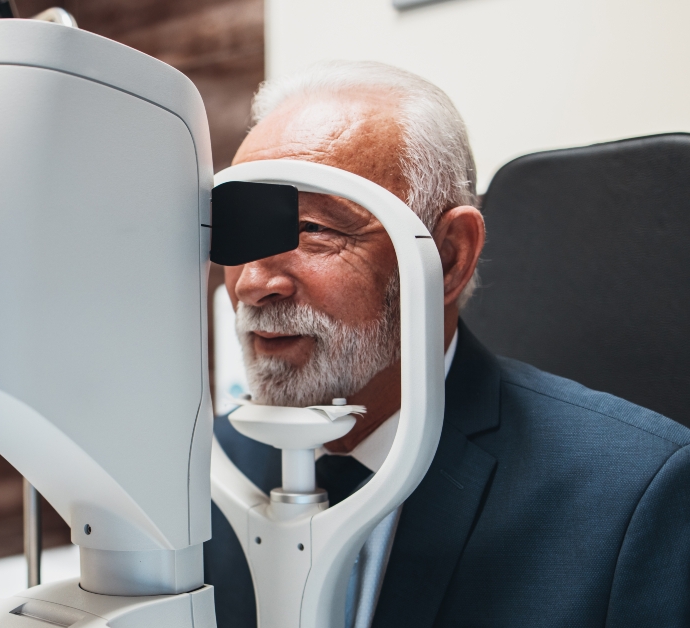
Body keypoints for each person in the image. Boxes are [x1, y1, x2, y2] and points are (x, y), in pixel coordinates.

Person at [203, 60, 690, 628]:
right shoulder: (209, 470)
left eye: (315, 230)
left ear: (449, 256)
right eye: (240, 235)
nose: (254, 283)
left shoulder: (633, 497)